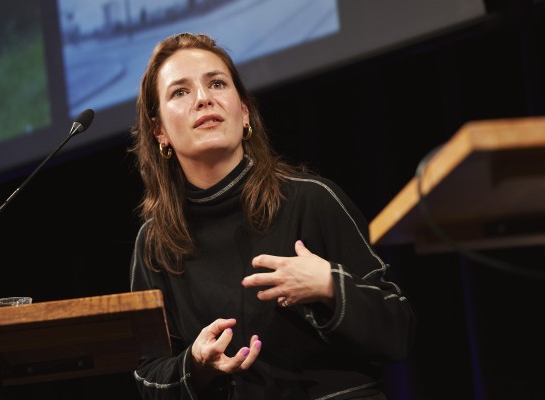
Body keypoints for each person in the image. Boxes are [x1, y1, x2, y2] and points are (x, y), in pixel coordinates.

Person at [129, 32, 415, 400]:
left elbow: (397, 330)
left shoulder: (311, 199)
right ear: (159, 132)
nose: (203, 98)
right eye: (180, 92)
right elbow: (148, 377)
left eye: (217, 83)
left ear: (244, 111)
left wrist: (329, 285)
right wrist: (195, 365)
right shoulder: (154, 243)